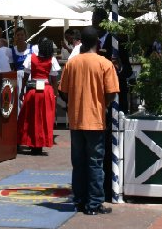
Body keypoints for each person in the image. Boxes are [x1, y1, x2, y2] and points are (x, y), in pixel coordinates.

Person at [59, 26, 119, 215]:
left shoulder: (72, 63)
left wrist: (75, 103)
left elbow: (63, 91)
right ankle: (93, 203)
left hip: (76, 119)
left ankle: (79, 200)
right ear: (98, 42)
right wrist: (103, 104)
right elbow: (112, 93)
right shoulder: (104, 64)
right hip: (95, 118)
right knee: (94, 162)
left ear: (81, 42)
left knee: (78, 162)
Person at [18, 37, 60, 155]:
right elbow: (54, 79)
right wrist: (55, 94)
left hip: (32, 91)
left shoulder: (31, 58)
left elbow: (26, 75)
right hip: (46, 90)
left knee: (29, 118)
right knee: (44, 118)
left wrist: (22, 90)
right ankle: (40, 143)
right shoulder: (52, 60)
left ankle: (29, 141)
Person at [11, 26, 35, 112]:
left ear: (25, 36)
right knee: (19, 99)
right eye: (18, 35)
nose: (20, 37)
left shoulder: (32, 48)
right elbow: (12, 66)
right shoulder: (12, 50)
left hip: (30, 76)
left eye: (22, 35)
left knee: (29, 97)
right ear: (15, 37)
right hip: (18, 76)